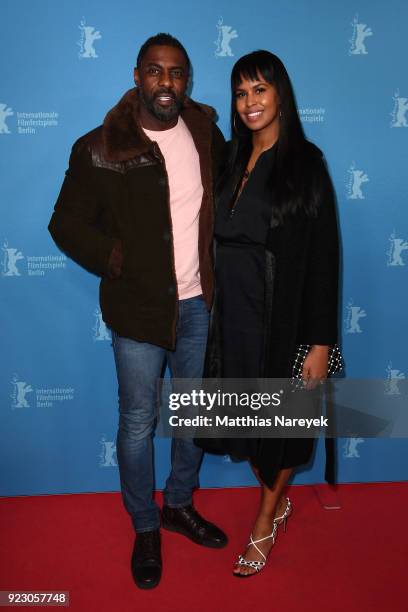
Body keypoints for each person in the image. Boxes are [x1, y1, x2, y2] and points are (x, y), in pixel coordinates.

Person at [48, 33, 227, 590]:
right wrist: (116, 258)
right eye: (155, 71)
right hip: (138, 311)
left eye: (176, 73)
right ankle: (145, 524)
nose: (166, 83)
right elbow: (65, 223)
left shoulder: (205, 133)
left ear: (186, 80)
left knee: (193, 416)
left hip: (199, 304)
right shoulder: (101, 145)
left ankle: (177, 505)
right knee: (137, 423)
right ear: (136, 76)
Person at [196, 50, 340, 577]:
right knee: (250, 428)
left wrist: (321, 343)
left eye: (260, 89)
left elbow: (325, 258)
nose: (250, 102)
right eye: (241, 92)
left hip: (284, 323)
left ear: (281, 95)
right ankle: (276, 497)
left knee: (280, 428)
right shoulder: (232, 159)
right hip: (231, 321)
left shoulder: (306, 164)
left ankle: (265, 518)